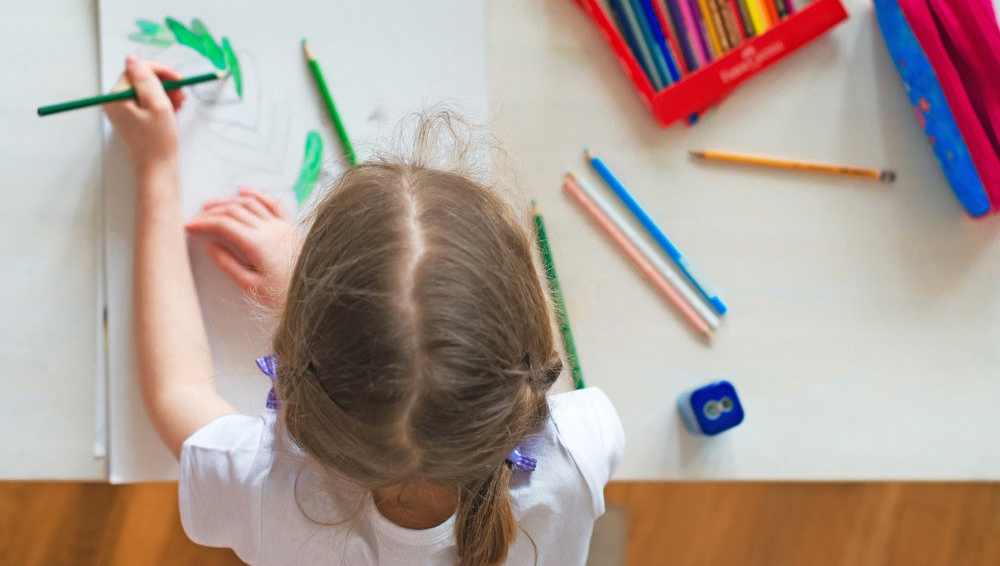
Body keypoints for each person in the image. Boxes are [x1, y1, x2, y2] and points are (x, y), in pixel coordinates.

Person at [105, 55, 625, 566]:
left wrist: (156, 165)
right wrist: (321, 307)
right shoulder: (579, 451)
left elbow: (177, 392)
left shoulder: (263, 485)